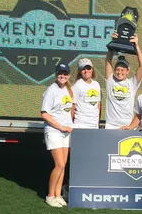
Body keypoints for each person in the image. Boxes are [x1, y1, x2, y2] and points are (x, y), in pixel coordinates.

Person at [40, 63, 74, 208]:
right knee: (59, 164)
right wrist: (60, 126)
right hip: (54, 131)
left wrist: (69, 125)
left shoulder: (68, 89)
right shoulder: (51, 90)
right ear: (56, 74)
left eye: (65, 73)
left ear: (69, 75)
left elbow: (70, 109)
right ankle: (50, 195)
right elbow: (44, 114)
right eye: (60, 73)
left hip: (66, 132)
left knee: (63, 165)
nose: (62, 76)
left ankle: (58, 194)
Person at [104, 33, 142, 129]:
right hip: (111, 125)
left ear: (128, 71)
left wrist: (137, 46)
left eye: (122, 70)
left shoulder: (132, 83)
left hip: (127, 125)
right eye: (117, 69)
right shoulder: (110, 81)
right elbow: (108, 61)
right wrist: (113, 44)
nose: (119, 72)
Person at [72, 58, 102, 129]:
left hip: (94, 125)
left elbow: (98, 105)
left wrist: (97, 122)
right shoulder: (77, 85)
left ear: (92, 69)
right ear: (79, 71)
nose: (86, 71)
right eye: (83, 69)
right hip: (80, 125)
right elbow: (72, 107)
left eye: (88, 68)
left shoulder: (96, 84)